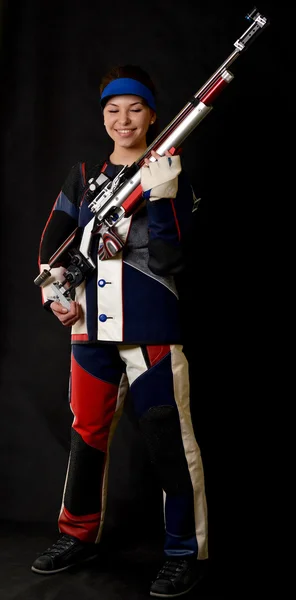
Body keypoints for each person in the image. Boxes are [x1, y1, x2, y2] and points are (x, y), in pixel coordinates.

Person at [31, 64, 209, 598]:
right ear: (103, 116)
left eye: (135, 108)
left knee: (168, 442)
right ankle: (77, 534)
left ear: (153, 116)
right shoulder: (84, 175)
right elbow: (52, 246)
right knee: (86, 437)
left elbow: (170, 257)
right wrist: (54, 295)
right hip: (88, 330)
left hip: (151, 325)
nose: (123, 119)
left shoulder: (170, 173)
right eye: (113, 109)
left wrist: (161, 195)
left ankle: (184, 550)